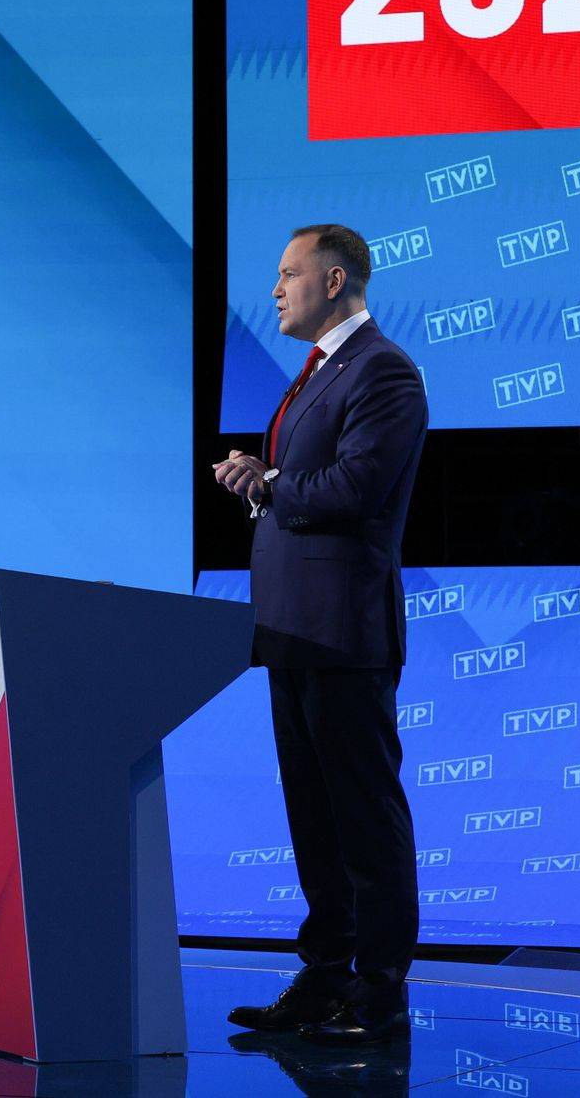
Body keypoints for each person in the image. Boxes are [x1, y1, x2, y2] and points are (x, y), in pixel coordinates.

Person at [210, 224, 427, 1046]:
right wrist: (261, 481)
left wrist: (268, 481)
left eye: (288, 273)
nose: (275, 289)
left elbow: (358, 485)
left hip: (343, 630)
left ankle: (378, 994)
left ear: (334, 280)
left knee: (363, 818)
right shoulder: (315, 374)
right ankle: (327, 975)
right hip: (292, 630)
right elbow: (304, 483)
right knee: (314, 818)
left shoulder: (383, 369)